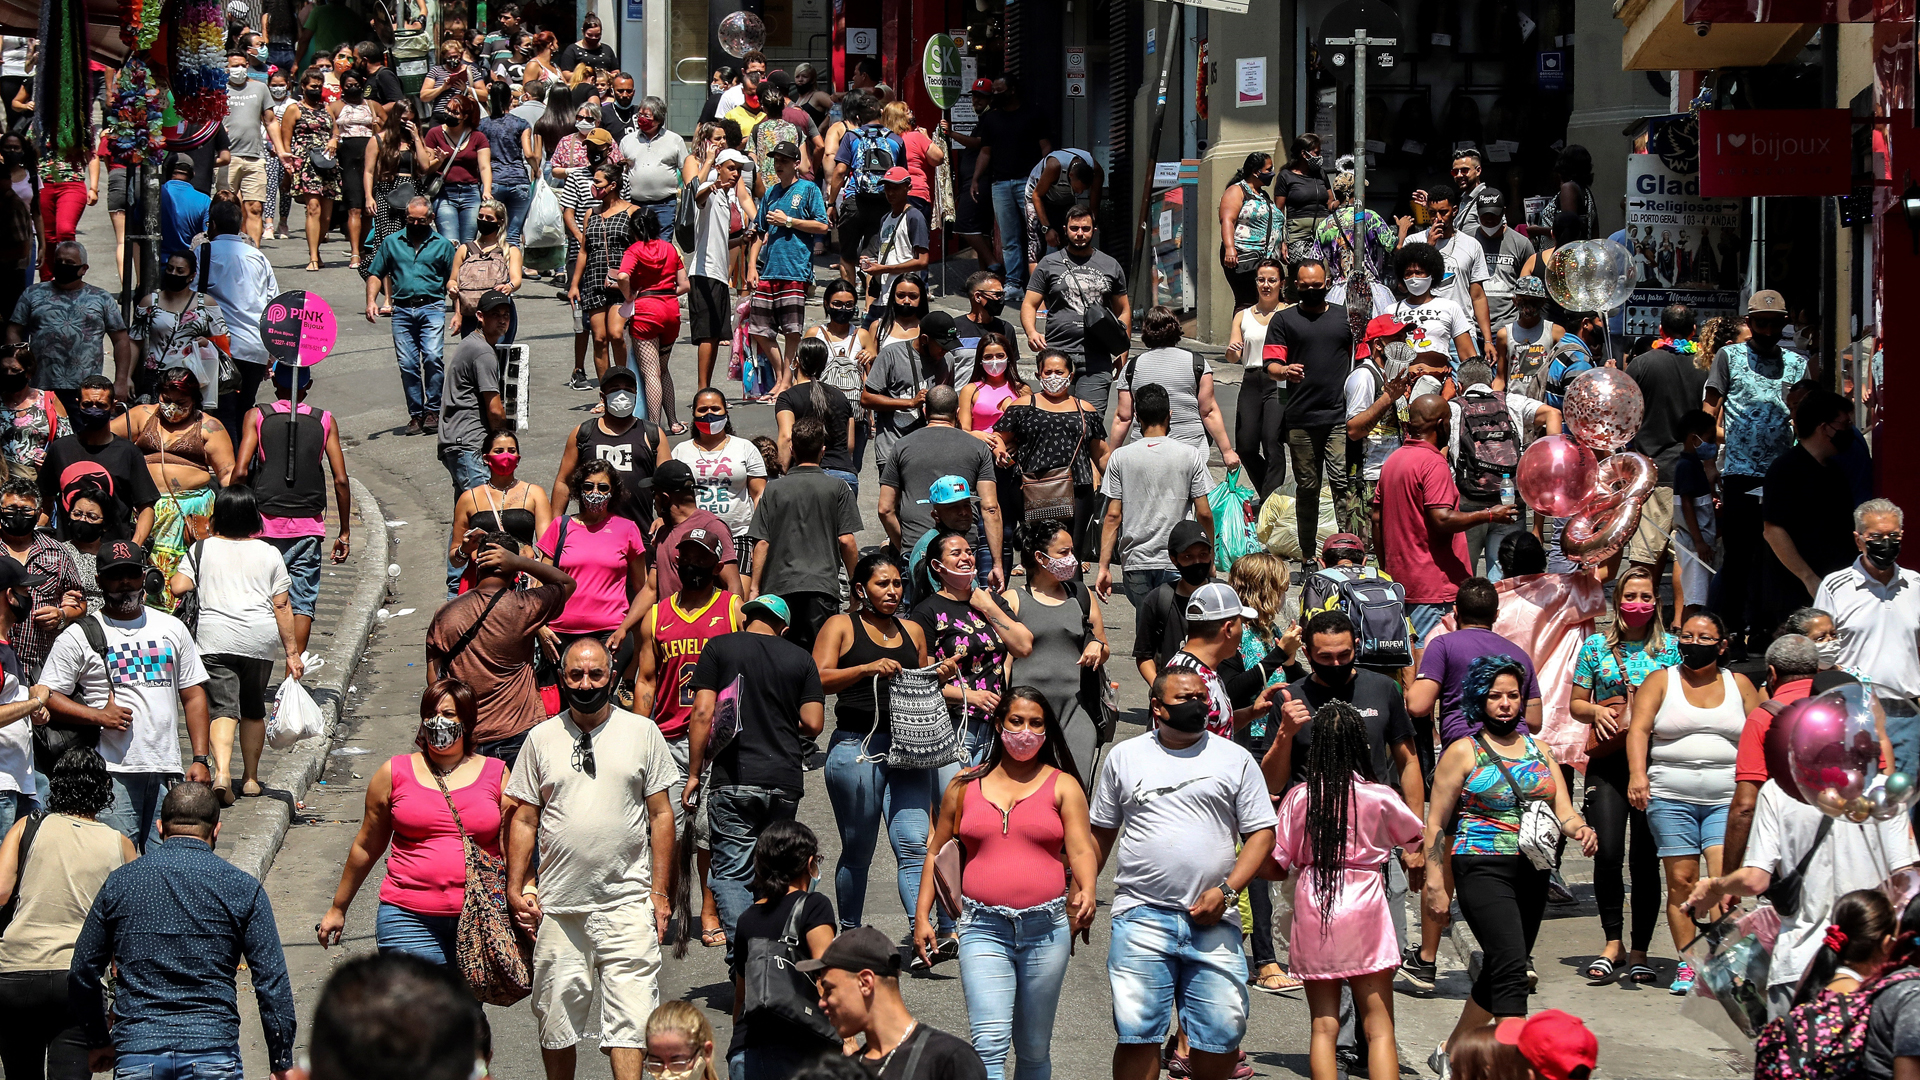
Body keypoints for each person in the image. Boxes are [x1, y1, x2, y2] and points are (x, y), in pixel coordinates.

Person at [505, 637, 679, 1080]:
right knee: (555, 1023)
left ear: (612, 676)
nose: (586, 683)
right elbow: (524, 819)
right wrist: (515, 885)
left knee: (632, 1023)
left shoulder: (643, 733)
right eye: (576, 675)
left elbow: (661, 816)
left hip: (628, 903)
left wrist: (660, 893)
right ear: (562, 679)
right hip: (560, 909)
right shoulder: (540, 739)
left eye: (596, 674)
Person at [1091, 669, 1277, 1080]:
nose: (1198, 704)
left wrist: (1228, 892)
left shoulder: (1236, 758)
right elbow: (1101, 832)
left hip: (1214, 921)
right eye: (1185, 698)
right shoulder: (1125, 756)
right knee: (1138, 1035)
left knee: (1220, 1035)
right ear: (1157, 707)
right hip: (1141, 916)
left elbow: (1262, 835)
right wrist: (1082, 891)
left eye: (1202, 697)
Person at [912, 688, 1097, 1080]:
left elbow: (1081, 851)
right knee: (989, 1044)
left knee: (1033, 1048)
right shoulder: (964, 785)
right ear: (999, 725)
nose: (1025, 732)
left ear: (1047, 732)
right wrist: (922, 918)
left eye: (1035, 724)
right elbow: (935, 851)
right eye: (1016, 721)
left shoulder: (1064, 786)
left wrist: (1087, 891)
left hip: (1046, 930)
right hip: (982, 929)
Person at [1422, 655, 1595, 1077]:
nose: (1505, 704)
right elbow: (1436, 820)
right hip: (1480, 865)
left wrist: (1580, 829)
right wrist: (1433, 879)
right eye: (1495, 696)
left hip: (1533, 869)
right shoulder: (1464, 751)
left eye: (1513, 696)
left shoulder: (1541, 749)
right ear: (1479, 700)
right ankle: (1513, 1067)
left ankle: (1454, 1050)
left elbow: (1564, 810)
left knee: (1505, 963)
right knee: (1515, 968)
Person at [70, 782, 296, 1080]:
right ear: (216, 830)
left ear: (160, 827)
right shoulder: (241, 888)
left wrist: (98, 1039)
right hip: (212, 1049)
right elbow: (272, 980)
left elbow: (82, 970)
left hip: (139, 1049)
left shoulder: (121, 883)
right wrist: (281, 1062)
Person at [1687, 745, 1919, 1023]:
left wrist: (1715, 886)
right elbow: (1905, 884)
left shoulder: (1779, 791)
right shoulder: (1884, 792)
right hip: (1867, 967)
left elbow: (1754, 880)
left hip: (1796, 964)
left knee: (1788, 1059)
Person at [1271, 698, 1425, 1080]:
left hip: (1315, 901)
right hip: (1366, 902)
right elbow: (1415, 840)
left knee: (1323, 1026)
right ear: (1360, 744)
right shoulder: (1380, 796)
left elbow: (1278, 859)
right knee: (1379, 1026)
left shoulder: (1300, 798)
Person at [316, 681, 511, 965]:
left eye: (448, 714)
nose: (437, 721)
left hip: (479, 917)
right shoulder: (394, 773)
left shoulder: (497, 774)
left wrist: (524, 892)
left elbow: (515, 847)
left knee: (462, 1010)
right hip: (406, 918)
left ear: (467, 723)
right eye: (430, 713)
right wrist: (338, 907)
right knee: (419, 1007)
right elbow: (366, 845)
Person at [813, 550, 953, 933]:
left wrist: (940, 675)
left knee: (912, 842)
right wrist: (865, 668)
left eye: (897, 582)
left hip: (909, 745)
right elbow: (818, 678)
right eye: (883, 584)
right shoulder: (841, 625)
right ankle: (852, 932)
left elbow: (923, 686)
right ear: (861, 589)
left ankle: (920, 929)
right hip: (856, 746)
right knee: (859, 850)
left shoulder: (913, 631)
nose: (893, 591)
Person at [1625, 607, 1762, 995]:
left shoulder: (1740, 684)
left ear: (1721, 646)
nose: (1693, 644)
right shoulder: (1660, 681)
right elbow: (1639, 730)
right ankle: (1691, 964)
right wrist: (1638, 774)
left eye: (1704, 639)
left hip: (1727, 800)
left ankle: (1725, 964)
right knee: (1681, 882)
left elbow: (1759, 733)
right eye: (1686, 636)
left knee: (1722, 882)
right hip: (1671, 797)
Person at [683, 595, 825, 947]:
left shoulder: (720, 648)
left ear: (747, 620)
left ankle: (745, 959)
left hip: (735, 779)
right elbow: (813, 723)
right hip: (784, 780)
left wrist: (694, 773)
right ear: (785, 629)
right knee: (776, 870)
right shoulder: (801, 659)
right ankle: (773, 955)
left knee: (732, 874)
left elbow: (702, 713)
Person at [1567, 565, 1676, 986]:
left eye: (1646, 597)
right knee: (1608, 853)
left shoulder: (1671, 649)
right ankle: (1611, 941)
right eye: (1630, 596)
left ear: (1657, 602)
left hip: (1655, 763)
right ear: (1617, 602)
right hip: (1608, 763)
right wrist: (1596, 711)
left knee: (1647, 859)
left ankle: (1641, 949)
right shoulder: (1595, 647)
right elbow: (1576, 702)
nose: (1638, 605)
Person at [0, 748, 135, 1080]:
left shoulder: (26, 828)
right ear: (104, 790)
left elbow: (1, 891)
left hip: (16, 972)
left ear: (56, 786)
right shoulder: (120, 844)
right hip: (78, 981)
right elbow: (128, 933)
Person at [165, 486, 299, 802]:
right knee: (253, 708)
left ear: (219, 516)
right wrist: (292, 653)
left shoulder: (202, 549)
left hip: (215, 640)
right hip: (259, 640)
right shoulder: (269, 553)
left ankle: (223, 772)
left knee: (222, 707)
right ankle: (251, 779)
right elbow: (282, 606)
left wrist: (192, 559)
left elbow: (177, 586)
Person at [1379, 396, 1518, 665]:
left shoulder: (1393, 461)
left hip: (1401, 582)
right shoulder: (1433, 464)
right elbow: (1441, 519)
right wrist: (1490, 514)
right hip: (1433, 587)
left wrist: (1388, 567)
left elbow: (1376, 519)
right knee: (1427, 667)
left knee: (1412, 664)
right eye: (1450, 422)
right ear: (1441, 424)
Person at [1704, 289, 1806, 650]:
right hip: (1740, 473)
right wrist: (1704, 459)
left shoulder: (1796, 364)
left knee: (1777, 556)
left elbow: (1803, 418)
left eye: (1774, 324)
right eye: (1760, 323)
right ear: (1749, 323)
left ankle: (1769, 628)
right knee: (1739, 554)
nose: (1767, 330)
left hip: (1782, 475)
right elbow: (1709, 409)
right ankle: (1726, 630)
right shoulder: (1728, 357)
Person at [231, 362, 352, 655]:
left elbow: (241, 470)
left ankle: (256, 672)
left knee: (259, 599)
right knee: (301, 603)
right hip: (308, 527)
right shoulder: (325, 420)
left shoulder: (257, 415)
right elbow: (340, 479)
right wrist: (345, 531)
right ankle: (292, 674)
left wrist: (231, 515)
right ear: (307, 387)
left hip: (262, 525)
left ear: (275, 385)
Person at [428, 535, 573, 771]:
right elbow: (566, 584)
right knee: (517, 807)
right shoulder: (524, 606)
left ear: (477, 565)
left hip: (465, 736)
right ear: (512, 571)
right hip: (516, 733)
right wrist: (522, 562)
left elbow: (434, 680)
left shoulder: (445, 613)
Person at [110, 369, 235, 611]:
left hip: (188, 514)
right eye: (166, 400)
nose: (172, 408)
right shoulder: (141, 416)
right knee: (143, 567)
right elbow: (102, 438)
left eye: (181, 403)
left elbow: (228, 474)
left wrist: (229, 519)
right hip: (144, 507)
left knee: (181, 572)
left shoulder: (209, 427)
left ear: (195, 401)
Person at [726, 822, 839, 1080]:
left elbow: (741, 998)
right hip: (796, 1049)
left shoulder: (747, 919)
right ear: (809, 863)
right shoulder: (814, 906)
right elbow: (828, 975)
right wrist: (847, 1038)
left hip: (746, 1052)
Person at [1001, 523, 1111, 787]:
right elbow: (1004, 664)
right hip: (1027, 715)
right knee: (1027, 789)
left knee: (1075, 788)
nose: (1071, 559)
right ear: (1040, 558)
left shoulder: (1081, 596)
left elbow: (1103, 647)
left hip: (1078, 710)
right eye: (1064, 552)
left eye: (1072, 551)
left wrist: (1097, 647)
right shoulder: (1013, 599)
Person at [1816, 500, 1920, 774]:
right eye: (1876, 537)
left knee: (1901, 802)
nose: (1886, 543)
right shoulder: (1835, 586)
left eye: (1893, 536)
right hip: (1853, 712)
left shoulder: (1915, 586)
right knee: (1855, 798)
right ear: (1859, 540)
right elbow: (1818, 647)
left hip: (1906, 713)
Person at [806, 925, 989, 1079]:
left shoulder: (948, 1059)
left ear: (865, 983)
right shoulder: (848, 1070)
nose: (822, 1003)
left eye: (829, 990)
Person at [1268, 260, 1355, 568]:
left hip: (1338, 418)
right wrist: (1284, 370)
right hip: (1301, 419)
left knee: (1343, 484)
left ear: (1328, 283)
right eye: (1305, 287)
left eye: (1317, 286)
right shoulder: (1284, 320)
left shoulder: (1344, 319)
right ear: (1295, 286)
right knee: (1308, 489)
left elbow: (1363, 356)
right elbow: (1271, 364)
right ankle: (1307, 556)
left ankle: (1349, 551)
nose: (1311, 291)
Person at [1096, 384, 1212, 606]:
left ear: (1137, 416)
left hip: (1135, 562)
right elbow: (1204, 513)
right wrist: (1209, 557)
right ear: (1170, 415)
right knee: (1178, 627)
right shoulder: (1190, 455)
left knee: (1147, 627)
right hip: (1179, 560)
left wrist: (1103, 566)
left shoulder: (1120, 457)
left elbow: (1112, 516)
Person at [537, 458, 651, 681]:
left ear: (614, 491)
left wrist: (627, 630)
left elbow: (643, 590)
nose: (595, 492)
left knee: (602, 703)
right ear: (579, 490)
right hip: (560, 635)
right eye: (588, 486)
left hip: (611, 635)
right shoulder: (560, 526)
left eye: (603, 487)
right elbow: (539, 586)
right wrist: (539, 627)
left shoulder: (627, 529)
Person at [993, 349, 1110, 561]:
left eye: (1059, 371)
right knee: (1036, 555)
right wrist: (999, 448)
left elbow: (1101, 453)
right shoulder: (1022, 406)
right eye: (1048, 372)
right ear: (1039, 375)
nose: (1053, 377)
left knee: (1070, 555)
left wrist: (1116, 486)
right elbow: (998, 437)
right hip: (1032, 490)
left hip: (1077, 491)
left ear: (1070, 375)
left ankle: (1073, 594)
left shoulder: (1086, 409)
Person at [880, 386, 1000, 590]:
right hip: (962, 550)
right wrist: (996, 564)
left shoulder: (902, 446)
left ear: (925, 412)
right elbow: (990, 508)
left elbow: (885, 508)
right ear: (958, 412)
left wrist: (906, 546)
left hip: (915, 546)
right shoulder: (977, 447)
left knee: (918, 617)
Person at [1761, 390, 1860, 628]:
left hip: (1837, 588)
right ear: (1824, 427)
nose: (1849, 430)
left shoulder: (1835, 471)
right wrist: (1809, 578)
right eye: (1844, 424)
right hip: (1798, 594)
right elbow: (1773, 531)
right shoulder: (1786, 469)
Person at [436, 289, 510, 595]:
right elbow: (494, 406)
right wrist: (503, 440)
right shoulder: (482, 351)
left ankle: (459, 587)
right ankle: (470, 592)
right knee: (484, 516)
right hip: (468, 442)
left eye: (506, 315)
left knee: (464, 519)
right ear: (479, 317)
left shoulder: (475, 345)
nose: (502, 321)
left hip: (456, 441)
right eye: (495, 315)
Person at [1022, 205, 1128, 412]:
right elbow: (1029, 303)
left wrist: (1122, 350)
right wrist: (1031, 331)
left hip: (1097, 359)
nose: (1080, 234)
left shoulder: (1111, 265)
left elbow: (1123, 310)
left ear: (1094, 231)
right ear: (1065, 229)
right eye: (1074, 228)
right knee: (1056, 421)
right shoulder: (1048, 264)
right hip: (1057, 356)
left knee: (1091, 421)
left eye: (1085, 228)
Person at [365, 196, 456, 436]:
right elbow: (376, 273)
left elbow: (453, 281)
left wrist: (457, 312)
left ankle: (433, 410)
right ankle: (416, 414)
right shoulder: (391, 243)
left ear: (431, 219)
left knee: (433, 357)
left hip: (432, 307)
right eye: (411, 220)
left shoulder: (443, 245)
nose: (415, 224)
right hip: (402, 310)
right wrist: (370, 302)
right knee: (407, 364)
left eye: (421, 220)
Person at [7, 242, 132, 407]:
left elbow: (121, 339)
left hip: (86, 392)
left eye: (70, 263)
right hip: (40, 387)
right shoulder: (33, 293)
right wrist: (16, 366)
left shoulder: (102, 298)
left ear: (84, 269)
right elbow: (14, 329)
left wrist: (121, 381)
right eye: (60, 261)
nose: (63, 266)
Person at [748, 141, 829, 396]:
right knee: (759, 329)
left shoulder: (808, 189)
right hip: (769, 269)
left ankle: (784, 382)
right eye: (776, 160)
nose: (778, 164)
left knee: (792, 330)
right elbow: (759, 232)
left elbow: (823, 226)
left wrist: (790, 221)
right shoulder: (771, 193)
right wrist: (751, 266)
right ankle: (783, 375)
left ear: (796, 163)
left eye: (784, 160)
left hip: (795, 270)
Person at [38, 377, 159, 544]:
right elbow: (45, 501)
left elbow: (146, 508)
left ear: (113, 407)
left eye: (101, 405)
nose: (94, 410)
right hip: (67, 549)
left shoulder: (128, 453)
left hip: (112, 553)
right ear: (78, 403)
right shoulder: (60, 449)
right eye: (87, 405)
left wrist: (134, 547)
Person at [1110, 305, 1234, 460]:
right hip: (1190, 451)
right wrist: (1227, 451)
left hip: (1144, 452)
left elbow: (1123, 417)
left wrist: (1110, 456)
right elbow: (1208, 411)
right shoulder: (1198, 364)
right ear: (1176, 328)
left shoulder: (1131, 368)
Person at [550, 367, 671, 525]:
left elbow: (668, 483)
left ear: (636, 394)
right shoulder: (582, 434)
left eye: (628, 389)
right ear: (602, 396)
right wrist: (554, 526)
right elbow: (563, 482)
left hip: (640, 536)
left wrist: (664, 519)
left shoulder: (653, 434)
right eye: (615, 389)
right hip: (591, 536)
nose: (622, 395)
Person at [674, 390, 766, 575]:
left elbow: (759, 495)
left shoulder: (745, 448)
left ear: (726, 412)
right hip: (693, 537)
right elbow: (672, 498)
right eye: (703, 409)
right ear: (694, 414)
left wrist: (759, 537)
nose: (709, 414)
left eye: (716, 408)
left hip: (739, 536)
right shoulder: (680, 452)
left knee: (736, 597)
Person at [0, 479, 82, 675]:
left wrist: (62, 615)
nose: (18, 515)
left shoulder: (58, 552)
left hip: (41, 666)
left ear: (38, 514)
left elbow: (80, 602)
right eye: (11, 508)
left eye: (26, 510)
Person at [616, 209, 688, 433]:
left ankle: (654, 427)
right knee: (664, 369)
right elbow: (685, 285)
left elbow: (622, 276)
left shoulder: (634, 250)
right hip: (670, 311)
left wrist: (629, 295)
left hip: (647, 312)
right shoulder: (670, 249)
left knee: (651, 373)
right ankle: (674, 422)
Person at [689, 148, 754, 392]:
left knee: (716, 335)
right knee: (707, 335)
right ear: (718, 168)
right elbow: (698, 196)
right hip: (704, 273)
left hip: (718, 274)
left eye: (738, 170)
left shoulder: (728, 198)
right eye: (731, 167)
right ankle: (702, 389)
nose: (735, 173)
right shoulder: (711, 189)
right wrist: (713, 184)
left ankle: (705, 387)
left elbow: (722, 241)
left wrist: (742, 240)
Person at [129, 251, 230, 406]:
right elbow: (135, 341)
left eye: (180, 271)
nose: (173, 273)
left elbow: (224, 339)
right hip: (156, 377)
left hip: (192, 377)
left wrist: (206, 342)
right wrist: (126, 377)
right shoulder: (149, 302)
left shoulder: (206, 304)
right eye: (170, 268)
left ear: (192, 276)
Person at [1403, 185, 1493, 352]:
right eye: (1432, 213)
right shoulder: (1413, 243)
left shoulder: (1471, 245)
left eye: (1443, 212)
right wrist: (1429, 247)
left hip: (1462, 330)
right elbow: (1406, 286)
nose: (1437, 218)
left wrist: (1487, 340)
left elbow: (1478, 296)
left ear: (1455, 211)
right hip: (1425, 330)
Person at [860, 276, 938, 470]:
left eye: (913, 296)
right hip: (888, 405)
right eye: (901, 295)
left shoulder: (926, 328)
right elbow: (869, 370)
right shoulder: (879, 327)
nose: (906, 301)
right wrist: (869, 413)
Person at [568, 163, 635, 386]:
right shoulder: (591, 213)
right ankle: (606, 392)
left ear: (613, 185)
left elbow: (638, 249)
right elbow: (584, 250)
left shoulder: (632, 212)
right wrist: (575, 285)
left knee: (616, 334)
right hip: (594, 280)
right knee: (599, 339)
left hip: (621, 280)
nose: (593, 186)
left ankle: (625, 385)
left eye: (598, 182)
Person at [1227, 259, 1288, 498]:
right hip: (1252, 379)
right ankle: (1272, 494)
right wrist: (1232, 350)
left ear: (1281, 283)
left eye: (1272, 280)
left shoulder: (1289, 312)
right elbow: (1233, 356)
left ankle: (1269, 500)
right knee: (1246, 445)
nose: (1266, 285)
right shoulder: (1242, 315)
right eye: (1261, 280)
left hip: (1280, 382)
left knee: (1272, 440)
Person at [643, 458, 744, 602]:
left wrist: (732, 621)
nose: (653, 501)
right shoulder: (662, 533)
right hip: (669, 622)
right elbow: (650, 589)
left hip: (704, 622)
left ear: (665, 498)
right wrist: (624, 625)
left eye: (654, 493)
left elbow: (733, 586)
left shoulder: (711, 526)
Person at [448, 428, 551, 567]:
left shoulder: (534, 493)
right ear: (486, 458)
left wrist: (540, 582)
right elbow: (455, 560)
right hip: (482, 579)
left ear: (518, 458)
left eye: (512, 451)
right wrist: (464, 550)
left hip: (522, 576)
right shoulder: (468, 498)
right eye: (499, 451)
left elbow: (547, 549)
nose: (506, 456)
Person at [279, 69, 340, 272]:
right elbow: (286, 141)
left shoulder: (327, 109)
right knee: (313, 208)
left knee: (327, 217)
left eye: (319, 87)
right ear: (303, 87)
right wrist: (289, 169)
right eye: (313, 86)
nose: (316, 90)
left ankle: (318, 249)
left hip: (328, 163)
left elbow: (335, 131)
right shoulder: (294, 109)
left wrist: (333, 139)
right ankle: (313, 256)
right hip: (306, 163)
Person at [777, 339, 857, 485]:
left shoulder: (788, 397)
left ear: (796, 362)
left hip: (806, 478)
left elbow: (787, 437)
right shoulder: (840, 396)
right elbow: (849, 444)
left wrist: (780, 476)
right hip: (844, 474)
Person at [1390, 242, 1480, 368]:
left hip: (1438, 381)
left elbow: (1468, 355)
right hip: (1401, 382)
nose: (1413, 278)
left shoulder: (1450, 307)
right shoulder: (1391, 310)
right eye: (1408, 273)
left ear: (1432, 275)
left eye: (1419, 272)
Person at [859, 167, 930, 323]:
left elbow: (922, 261)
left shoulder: (914, 217)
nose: (890, 192)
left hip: (903, 295)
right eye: (887, 188)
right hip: (882, 295)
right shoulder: (885, 218)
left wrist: (885, 269)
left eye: (896, 188)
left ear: (908, 188)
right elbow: (886, 252)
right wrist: (871, 262)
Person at [223, 52, 281, 245]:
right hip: (226, 157)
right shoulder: (220, 89)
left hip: (255, 156)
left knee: (255, 207)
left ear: (247, 65)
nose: (237, 69)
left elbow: (270, 121)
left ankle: (254, 253)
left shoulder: (260, 88)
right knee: (226, 206)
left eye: (241, 65)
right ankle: (228, 248)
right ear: (226, 68)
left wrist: (281, 151)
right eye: (233, 66)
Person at [449, 198, 523, 342]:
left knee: (497, 357)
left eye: (489, 218)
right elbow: (453, 280)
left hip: (499, 314)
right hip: (471, 313)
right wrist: (452, 288)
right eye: (481, 216)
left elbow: (517, 279)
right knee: (474, 357)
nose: (483, 220)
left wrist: (509, 286)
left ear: (500, 221)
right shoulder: (465, 249)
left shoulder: (509, 250)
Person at [327, 67, 377, 267]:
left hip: (370, 155)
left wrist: (377, 124)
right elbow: (330, 130)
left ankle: (365, 249)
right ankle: (355, 252)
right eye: (349, 86)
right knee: (354, 207)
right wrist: (334, 138)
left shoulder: (372, 106)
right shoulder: (336, 106)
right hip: (348, 157)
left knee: (368, 208)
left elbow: (384, 128)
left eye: (357, 85)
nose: (353, 88)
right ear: (342, 87)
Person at [1218, 152, 1281, 310]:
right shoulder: (1237, 191)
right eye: (1268, 169)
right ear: (1255, 171)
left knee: (1265, 302)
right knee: (1247, 301)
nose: (1272, 173)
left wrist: (1282, 243)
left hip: (1265, 258)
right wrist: (1230, 248)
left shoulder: (1263, 195)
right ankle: (1238, 334)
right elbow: (1227, 220)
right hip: (1244, 255)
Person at [0, 344, 68, 488]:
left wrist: (50, 459)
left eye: (15, 370)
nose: (9, 374)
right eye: (4, 370)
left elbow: (67, 442)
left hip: (37, 483)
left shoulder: (48, 400)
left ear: (28, 372)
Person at [619, 96, 685, 237]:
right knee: (637, 243)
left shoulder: (675, 140)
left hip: (665, 205)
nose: (642, 119)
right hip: (634, 204)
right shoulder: (627, 140)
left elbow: (685, 170)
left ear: (659, 119)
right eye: (640, 115)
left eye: (647, 116)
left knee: (662, 244)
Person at [1474, 193, 1535, 330]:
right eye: (1484, 214)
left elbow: (1528, 287)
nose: (1489, 219)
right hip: (1473, 326)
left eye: (1494, 214)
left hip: (1509, 326)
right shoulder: (1467, 241)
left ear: (1503, 212)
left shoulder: (1521, 243)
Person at [56, 487, 108, 617]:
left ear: (106, 524)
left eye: (92, 517)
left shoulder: (111, 555)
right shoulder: (57, 551)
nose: (83, 520)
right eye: (77, 514)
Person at [158, 154, 211, 264]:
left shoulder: (154, 195)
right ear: (192, 174)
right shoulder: (204, 200)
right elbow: (207, 239)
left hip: (157, 264)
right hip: (188, 268)